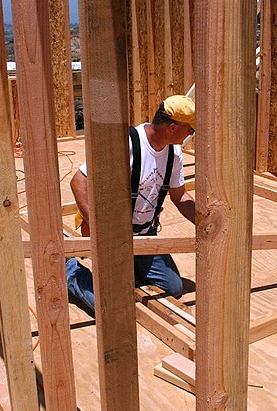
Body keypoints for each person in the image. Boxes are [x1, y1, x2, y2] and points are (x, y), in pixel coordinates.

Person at [66, 95, 197, 310]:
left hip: (144, 233)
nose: (191, 134)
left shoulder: (174, 152)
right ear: (173, 128)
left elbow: (180, 197)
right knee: (111, 305)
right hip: (112, 235)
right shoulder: (125, 143)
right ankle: (70, 270)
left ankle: (129, 268)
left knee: (173, 288)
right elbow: (78, 181)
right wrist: (102, 232)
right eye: (190, 129)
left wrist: (206, 223)